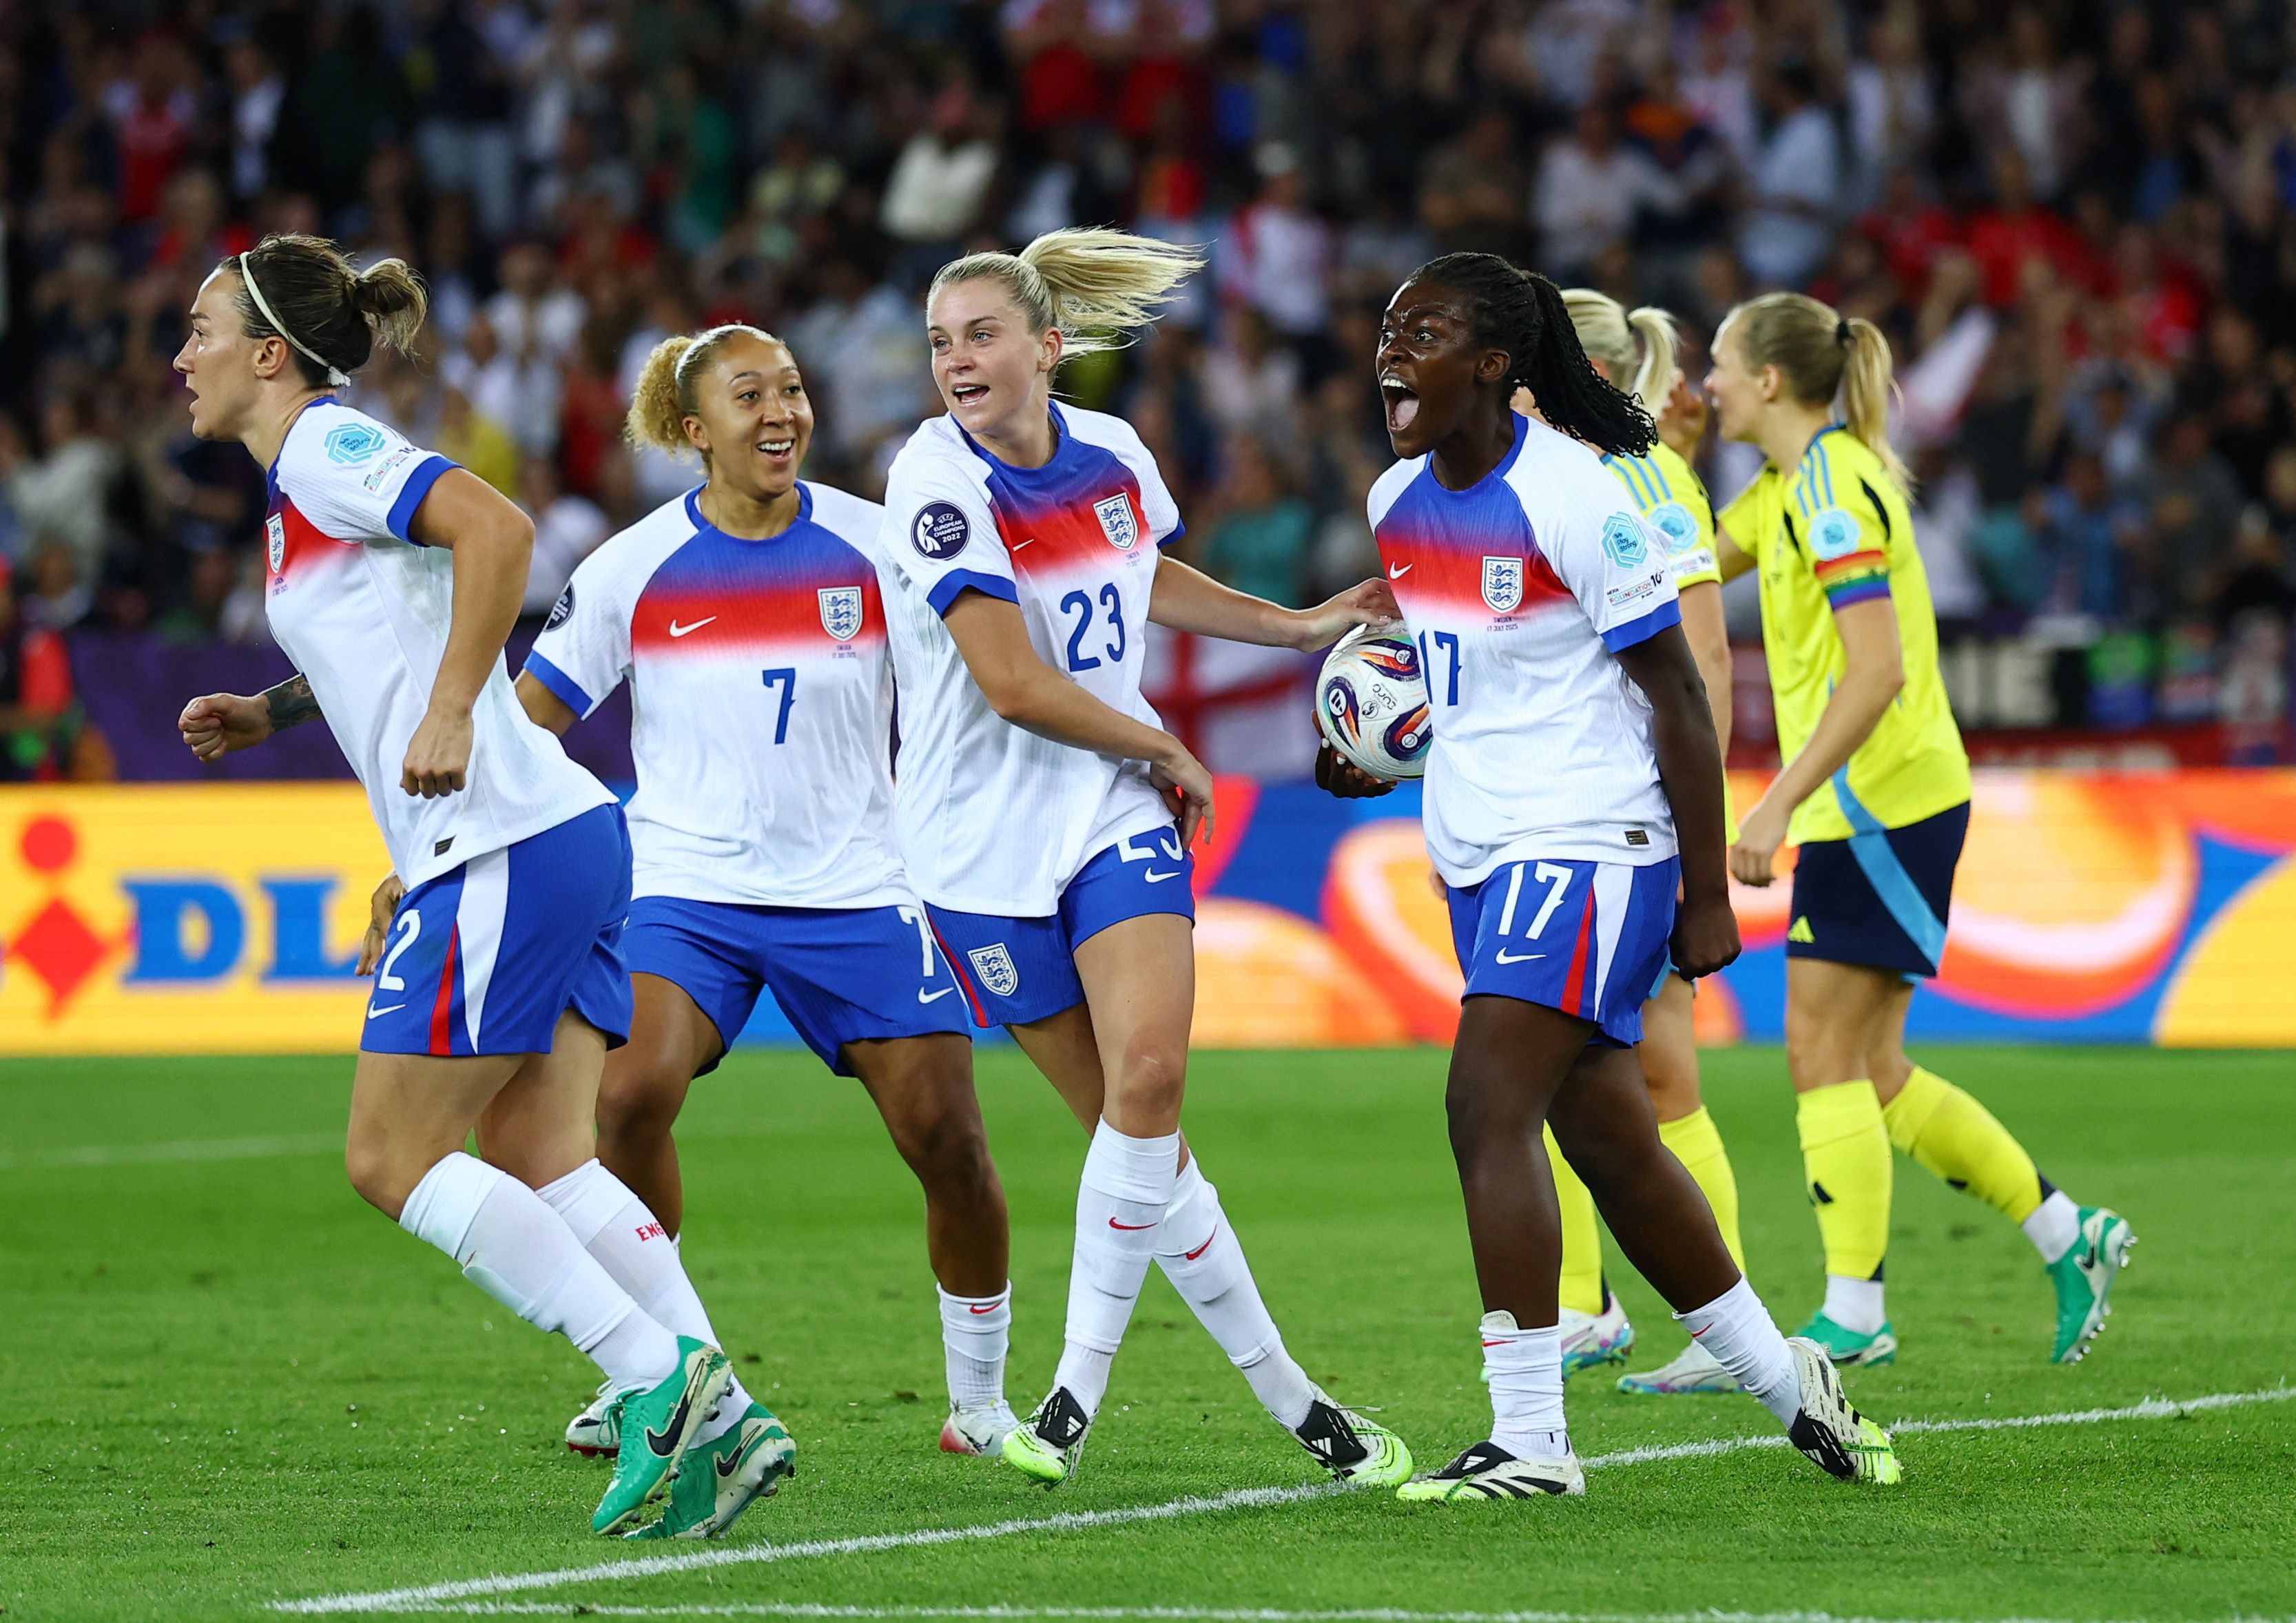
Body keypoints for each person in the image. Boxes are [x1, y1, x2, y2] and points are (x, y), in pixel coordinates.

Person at [173, 234, 742, 1539]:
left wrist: (445, 715)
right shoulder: (302, 486)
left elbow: (495, 525)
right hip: (552, 832)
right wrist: (274, 711)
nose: (180, 356)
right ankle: (718, 1408)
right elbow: (406, 614)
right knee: (540, 1151)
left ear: (271, 354)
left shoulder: (322, 444)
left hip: (494, 836)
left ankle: (655, 1381)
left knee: (389, 1156)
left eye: (201, 331)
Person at [1330, 251, 1899, 1501]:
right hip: (1480, 853)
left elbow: (1679, 699)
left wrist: (1705, 892)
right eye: (1384, 331)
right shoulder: (1393, 502)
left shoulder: (1578, 497)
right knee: (1615, 1148)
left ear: (1492, 365)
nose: (1387, 355)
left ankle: (1530, 1440)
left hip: (1594, 845)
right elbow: (1462, 675)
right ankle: (1785, 1379)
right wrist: (1364, 749)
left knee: (1484, 1107)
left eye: (1417, 334)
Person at [877, 227, 1412, 1490]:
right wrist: (1166, 743)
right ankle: (1296, 1402)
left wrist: (1290, 629)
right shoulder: (933, 481)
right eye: (942, 341)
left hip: (1109, 811)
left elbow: (1137, 571)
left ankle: (1068, 1399)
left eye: (982, 334)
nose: (957, 359)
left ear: (1047, 349)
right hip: (975, 847)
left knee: (1153, 1083)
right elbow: (1008, 683)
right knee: (1139, 1152)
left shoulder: (1113, 452)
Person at [511, 322, 1018, 1487]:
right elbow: (529, 722)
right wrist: (438, 846)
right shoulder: (633, 567)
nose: (780, 411)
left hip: (859, 885)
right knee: (628, 1096)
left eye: (791, 389)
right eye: (750, 396)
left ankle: (980, 1400)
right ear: (695, 432)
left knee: (947, 1141)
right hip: (688, 887)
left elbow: (989, 668)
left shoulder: (877, 544)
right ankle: (662, 1369)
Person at [1704, 290, 2134, 1367]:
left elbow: (1880, 668)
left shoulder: (1836, 491)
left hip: (1883, 799)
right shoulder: (1783, 488)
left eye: (1717, 364)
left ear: (1767, 380)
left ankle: (1854, 1313)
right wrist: (1652, 463)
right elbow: (1682, 572)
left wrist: (1774, 798)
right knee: (1872, 1065)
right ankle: (2065, 1233)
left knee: (1817, 1047)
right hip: (1874, 799)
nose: (1705, 384)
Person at [1546, 288, 1753, 1398]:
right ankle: (1585, 1309)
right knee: (1558, 1057)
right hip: (1578, 809)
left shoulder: (1644, 477)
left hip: (1644, 814)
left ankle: (1720, 1319)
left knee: (1659, 1070)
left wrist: (1694, 829)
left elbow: (1705, 663)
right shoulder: (1567, 477)